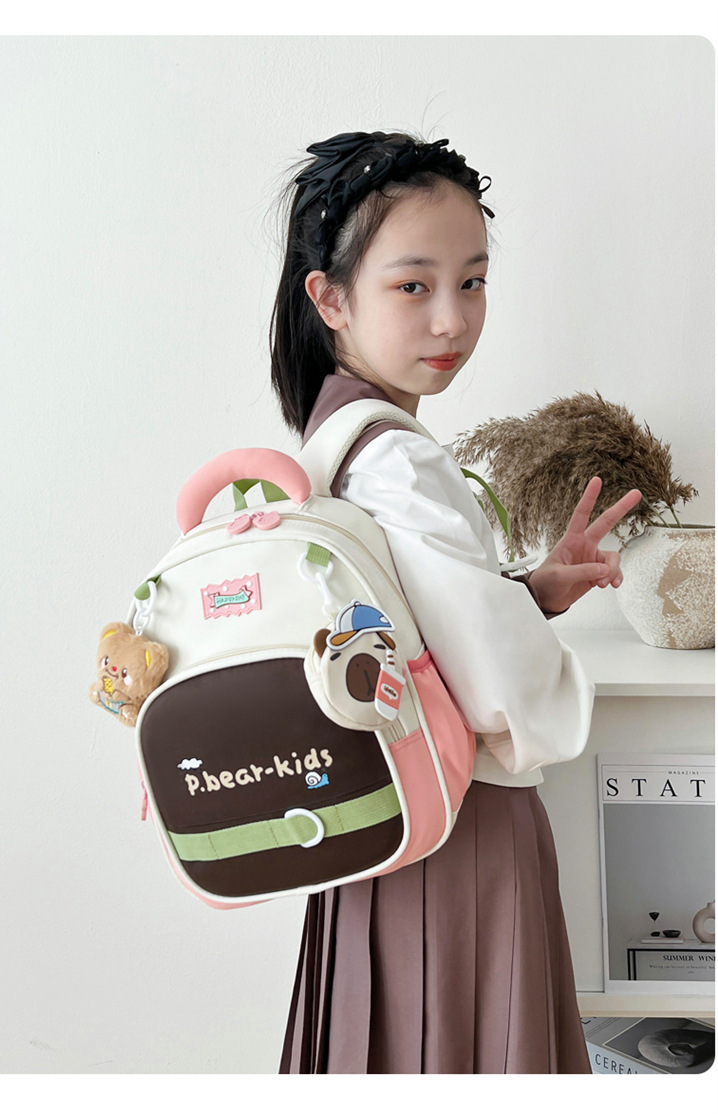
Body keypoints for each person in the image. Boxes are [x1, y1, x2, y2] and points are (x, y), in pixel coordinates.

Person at [268, 130, 641, 1074]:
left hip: (384, 822)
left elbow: (413, 623)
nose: (452, 319)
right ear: (330, 299)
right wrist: (540, 670)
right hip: (457, 828)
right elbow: (502, 691)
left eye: (473, 281)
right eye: (414, 285)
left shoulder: (334, 438)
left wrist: (525, 593)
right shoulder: (396, 458)